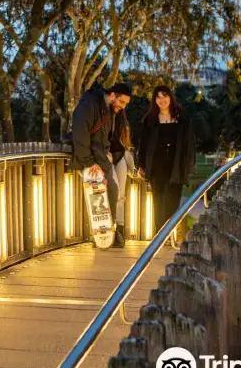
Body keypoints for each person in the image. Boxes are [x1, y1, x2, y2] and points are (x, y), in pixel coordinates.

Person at [70, 82, 132, 247]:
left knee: (110, 194)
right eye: (122, 102)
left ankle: (107, 237)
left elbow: (102, 139)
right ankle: (102, 237)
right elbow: (80, 132)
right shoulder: (90, 105)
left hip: (101, 160)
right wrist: (89, 163)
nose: (123, 106)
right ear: (112, 96)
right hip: (92, 162)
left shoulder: (106, 109)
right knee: (102, 196)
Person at [136, 85, 197, 242]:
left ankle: (169, 235)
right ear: (154, 100)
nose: (162, 100)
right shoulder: (150, 120)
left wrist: (189, 164)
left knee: (173, 201)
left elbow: (190, 143)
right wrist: (141, 165)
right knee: (158, 200)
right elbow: (143, 145)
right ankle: (159, 237)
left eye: (165, 96)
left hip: (175, 165)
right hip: (156, 165)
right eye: (158, 97)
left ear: (171, 97)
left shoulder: (182, 118)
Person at [109, 110, 135, 246]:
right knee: (116, 196)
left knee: (119, 196)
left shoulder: (121, 117)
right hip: (111, 157)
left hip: (118, 157)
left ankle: (118, 231)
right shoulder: (105, 113)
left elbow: (125, 142)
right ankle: (114, 231)